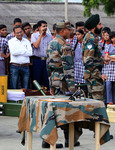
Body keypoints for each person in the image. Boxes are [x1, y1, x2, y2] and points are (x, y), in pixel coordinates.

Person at [46, 20, 80, 148]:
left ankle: (47, 139)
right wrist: (72, 88)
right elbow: (68, 68)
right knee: (66, 111)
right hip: (64, 82)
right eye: (69, 30)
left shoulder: (51, 43)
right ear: (63, 30)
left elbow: (48, 66)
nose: (71, 32)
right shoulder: (64, 45)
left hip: (54, 80)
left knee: (53, 110)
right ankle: (68, 140)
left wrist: (51, 85)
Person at [82, 14, 104, 100]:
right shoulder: (91, 39)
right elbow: (88, 60)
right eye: (99, 24)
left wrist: (102, 60)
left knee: (92, 104)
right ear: (94, 27)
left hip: (93, 76)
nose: (101, 26)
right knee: (97, 103)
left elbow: (92, 56)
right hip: (94, 77)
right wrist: (98, 75)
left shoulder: (92, 37)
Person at [31, 20, 53, 90]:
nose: (45, 28)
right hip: (37, 60)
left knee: (46, 80)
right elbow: (36, 46)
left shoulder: (49, 36)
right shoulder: (34, 35)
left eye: (46, 26)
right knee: (36, 79)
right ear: (39, 28)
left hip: (46, 61)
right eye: (43, 26)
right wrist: (40, 35)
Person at [72, 29, 88, 96]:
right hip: (76, 65)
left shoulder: (85, 44)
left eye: (78, 34)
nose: (77, 36)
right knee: (76, 82)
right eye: (76, 35)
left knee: (83, 82)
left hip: (82, 64)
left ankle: (84, 94)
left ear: (82, 35)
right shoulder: (75, 43)